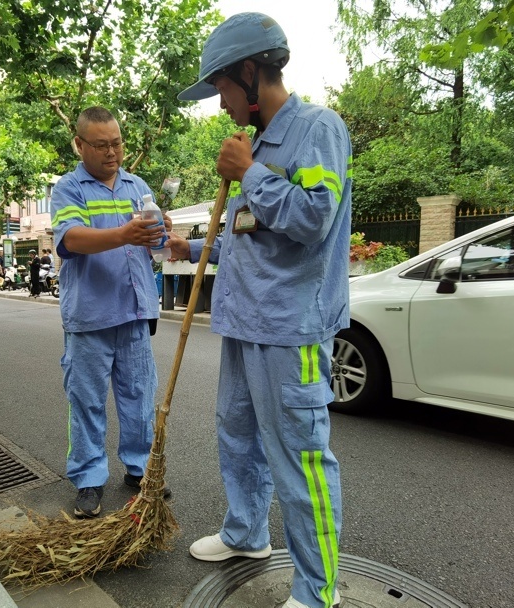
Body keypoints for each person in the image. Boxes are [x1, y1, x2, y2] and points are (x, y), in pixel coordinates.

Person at [168, 13, 352, 608]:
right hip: (245, 324)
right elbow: (250, 237)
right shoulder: (256, 142)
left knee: (299, 456)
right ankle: (246, 534)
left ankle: (316, 590)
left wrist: (250, 175)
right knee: (237, 434)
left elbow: (312, 219)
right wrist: (190, 247)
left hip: (290, 329)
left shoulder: (317, 129)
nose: (218, 103)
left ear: (250, 73)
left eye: (220, 87)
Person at [50, 105, 172, 518]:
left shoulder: (138, 186)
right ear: (80, 145)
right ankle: (88, 479)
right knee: (86, 401)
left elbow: (154, 247)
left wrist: (161, 232)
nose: (111, 153)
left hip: (135, 312)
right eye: (100, 145)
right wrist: (124, 232)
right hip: (89, 316)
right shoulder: (69, 188)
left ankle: (138, 469)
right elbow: (70, 240)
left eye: (117, 143)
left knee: (139, 397)